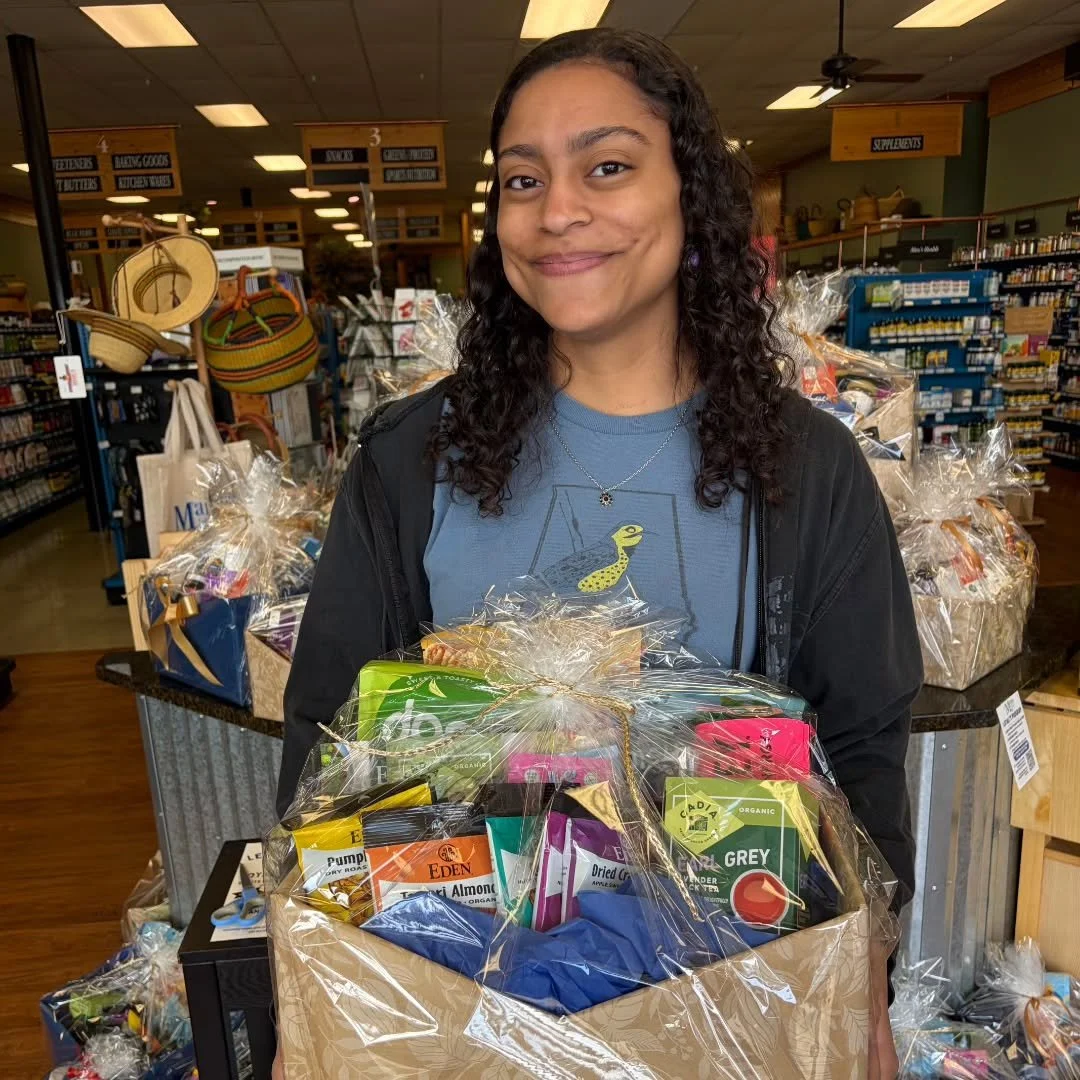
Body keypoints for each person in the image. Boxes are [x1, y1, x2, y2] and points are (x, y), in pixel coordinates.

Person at [278, 28, 920, 1079]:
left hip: (729, 1010)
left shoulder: (809, 469)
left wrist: (865, 979)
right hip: (449, 1013)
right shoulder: (408, 459)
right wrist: (315, 988)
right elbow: (328, 746)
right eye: (523, 179)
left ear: (690, 195)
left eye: (607, 166)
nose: (558, 210)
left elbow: (861, 755)